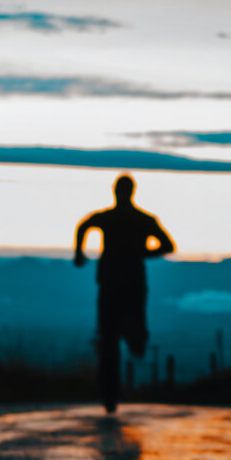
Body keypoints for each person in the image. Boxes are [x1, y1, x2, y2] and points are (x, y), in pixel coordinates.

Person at [74, 174, 175, 414]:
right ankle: (111, 392)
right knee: (115, 338)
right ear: (132, 192)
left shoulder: (110, 218)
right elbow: (167, 245)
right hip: (131, 283)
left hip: (112, 283)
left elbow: (83, 226)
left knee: (109, 339)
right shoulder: (143, 220)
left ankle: (110, 394)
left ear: (115, 191)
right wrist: (142, 252)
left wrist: (78, 253)